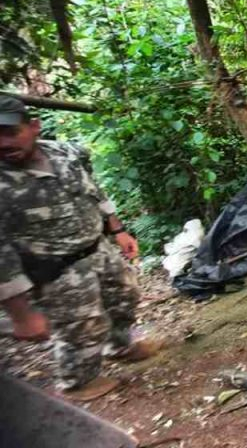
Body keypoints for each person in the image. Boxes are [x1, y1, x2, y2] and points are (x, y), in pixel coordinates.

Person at [0, 94, 159, 400]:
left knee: (124, 296)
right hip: (55, 268)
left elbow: (92, 190)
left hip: (96, 248)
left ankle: (121, 346)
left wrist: (118, 229)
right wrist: (21, 315)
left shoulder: (63, 153)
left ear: (33, 126)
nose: (2, 143)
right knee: (81, 326)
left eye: (10, 132)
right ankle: (77, 382)